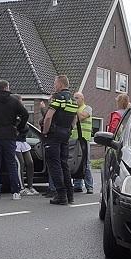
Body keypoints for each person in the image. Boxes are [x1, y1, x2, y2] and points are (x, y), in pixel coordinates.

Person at [42, 75, 78, 205]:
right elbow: (75, 118)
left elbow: (48, 117)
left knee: (54, 164)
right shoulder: (73, 100)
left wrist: (45, 132)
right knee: (64, 164)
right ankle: (70, 195)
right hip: (65, 134)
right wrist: (69, 130)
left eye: (55, 83)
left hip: (54, 134)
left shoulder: (58, 98)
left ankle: (61, 195)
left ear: (61, 84)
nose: (54, 86)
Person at [11, 94, 38, 196]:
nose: (23, 102)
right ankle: (21, 187)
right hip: (15, 142)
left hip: (23, 142)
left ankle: (30, 186)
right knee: (20, 163)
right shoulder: (13, 115)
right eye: (22, 100)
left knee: (30, 163)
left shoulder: (22, 114)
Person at [70, 92, 94, 194]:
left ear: (82, 99)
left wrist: (73, 108)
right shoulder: (74, 109)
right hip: (74, 140)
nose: (75, 100)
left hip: (84, 140)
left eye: (77, 98)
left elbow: (81, 117)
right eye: (74, 98)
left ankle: (89, 186)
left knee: (85, 163)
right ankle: (78, 185)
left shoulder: (87, 108)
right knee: (75, 162)